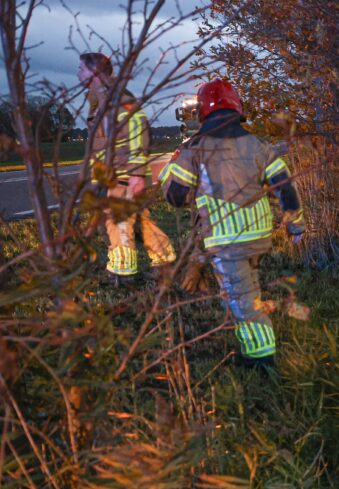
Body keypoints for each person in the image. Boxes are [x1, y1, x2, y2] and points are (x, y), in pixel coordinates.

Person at [158, 79, 304, 368]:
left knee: (242, 303)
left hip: (226, 240)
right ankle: (254, 341)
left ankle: (262, 361)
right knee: (246, 290)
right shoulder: (258, 145)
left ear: (202, 111)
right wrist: (295, 225)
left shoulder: (195, 148)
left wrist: (173, 165)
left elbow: (176, 196)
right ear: (237, 108)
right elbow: (285, 187)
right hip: (259, 235)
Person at [78, 52, 175, 283]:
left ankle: (122, 274)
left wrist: (137, 175)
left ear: (94, 72)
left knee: (117, 222)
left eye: (81, 68)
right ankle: (165, 261)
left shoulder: (117, 99)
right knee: (140, 221)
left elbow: (137, 131)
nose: (77, 73)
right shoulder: (99, 101)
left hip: (122, 176)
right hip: (113, 177)